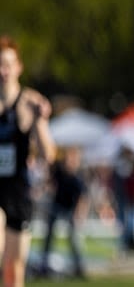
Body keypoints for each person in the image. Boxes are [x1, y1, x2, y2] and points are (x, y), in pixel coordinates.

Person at [0, 35, 57, 287]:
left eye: (8, 64)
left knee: (14, 269)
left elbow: (49, 154)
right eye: (0, 65)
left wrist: (39, 122)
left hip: (18, 190)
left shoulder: (29, 101)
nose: (4, 71)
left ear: (19, 67)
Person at [40, 146, 88, 279]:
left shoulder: (78, 177)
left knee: (73, 239)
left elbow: (82, 198)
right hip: (56, 207)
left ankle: (79, 267)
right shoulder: (59, 172)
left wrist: (79, 214)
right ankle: (43, 264)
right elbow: (49, 183)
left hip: (69, 210)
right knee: (48, 236)